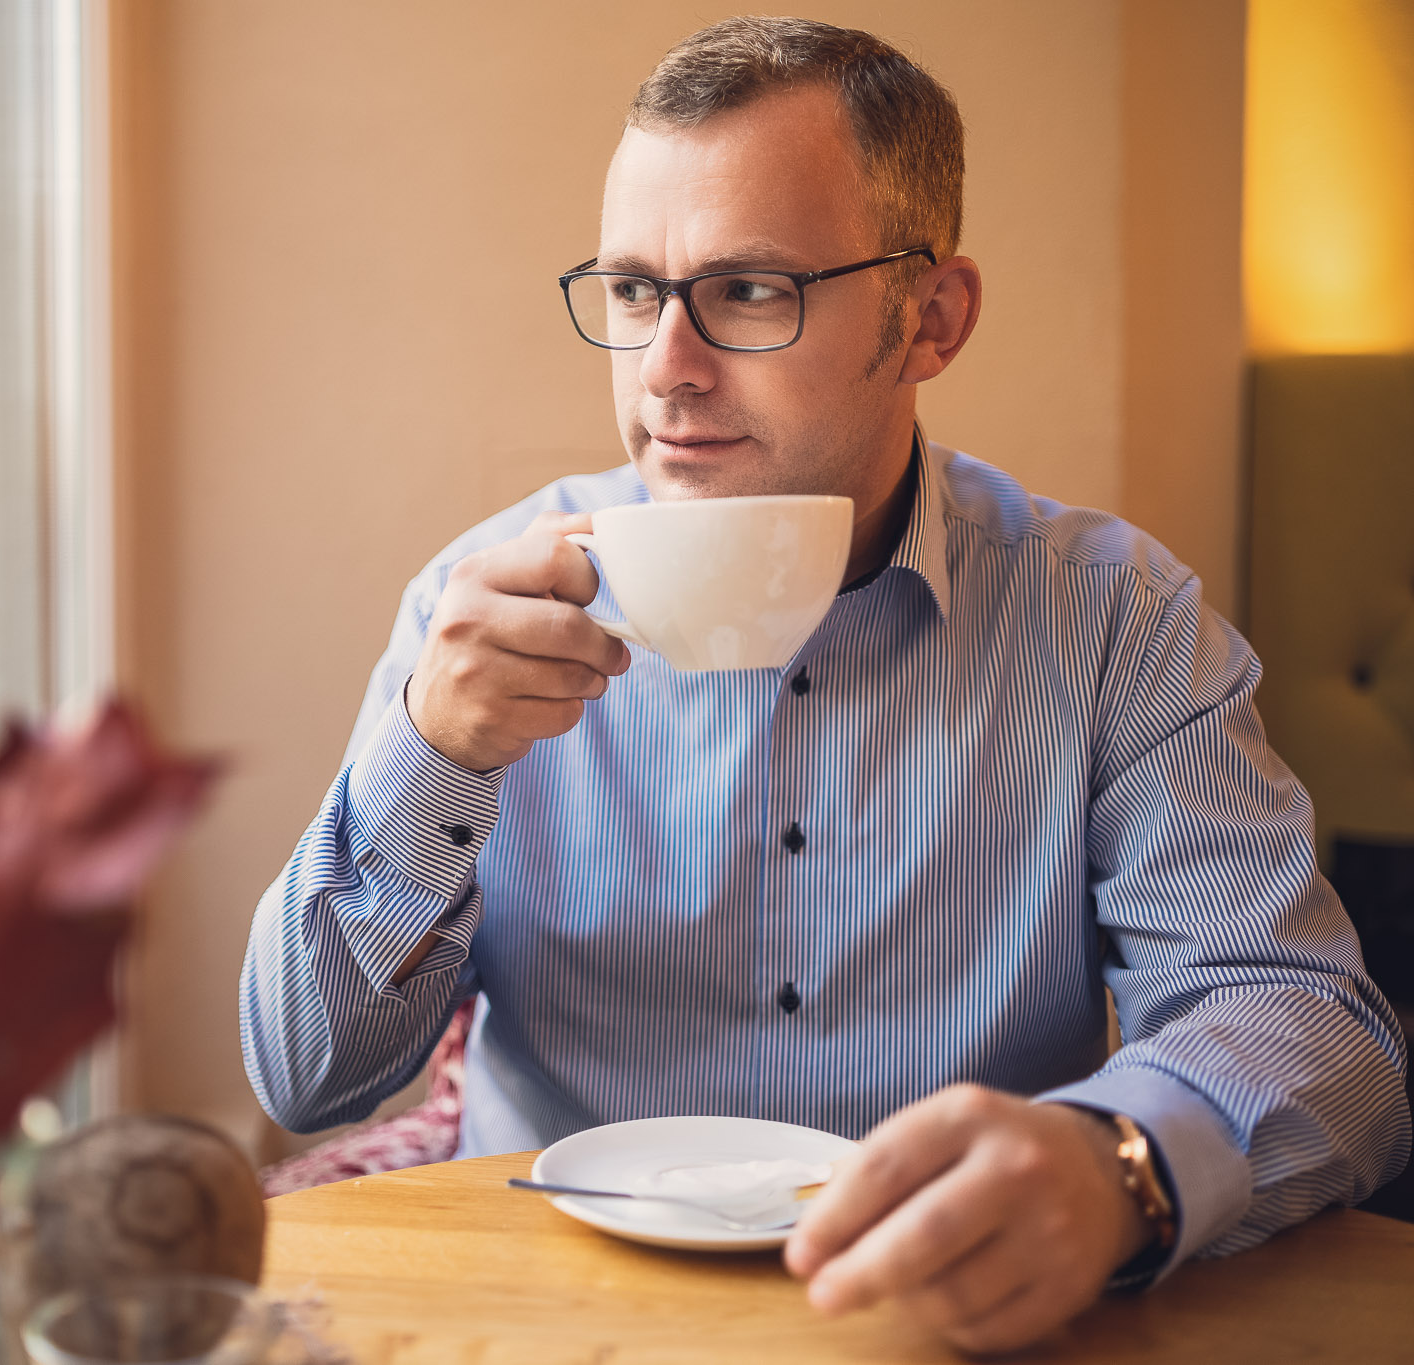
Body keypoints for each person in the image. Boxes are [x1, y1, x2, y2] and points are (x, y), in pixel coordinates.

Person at [238, 16, 1409, 1354]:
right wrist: (430, 754)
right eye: (633, 292)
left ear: (931, 320)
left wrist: (1116, 1166)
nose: (665, 369)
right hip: (551, 1315)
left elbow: (1316, 1029)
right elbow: (307, 1076)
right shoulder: (481, 616)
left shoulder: (1110, 618)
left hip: (944, 1319)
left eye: (748, 290)